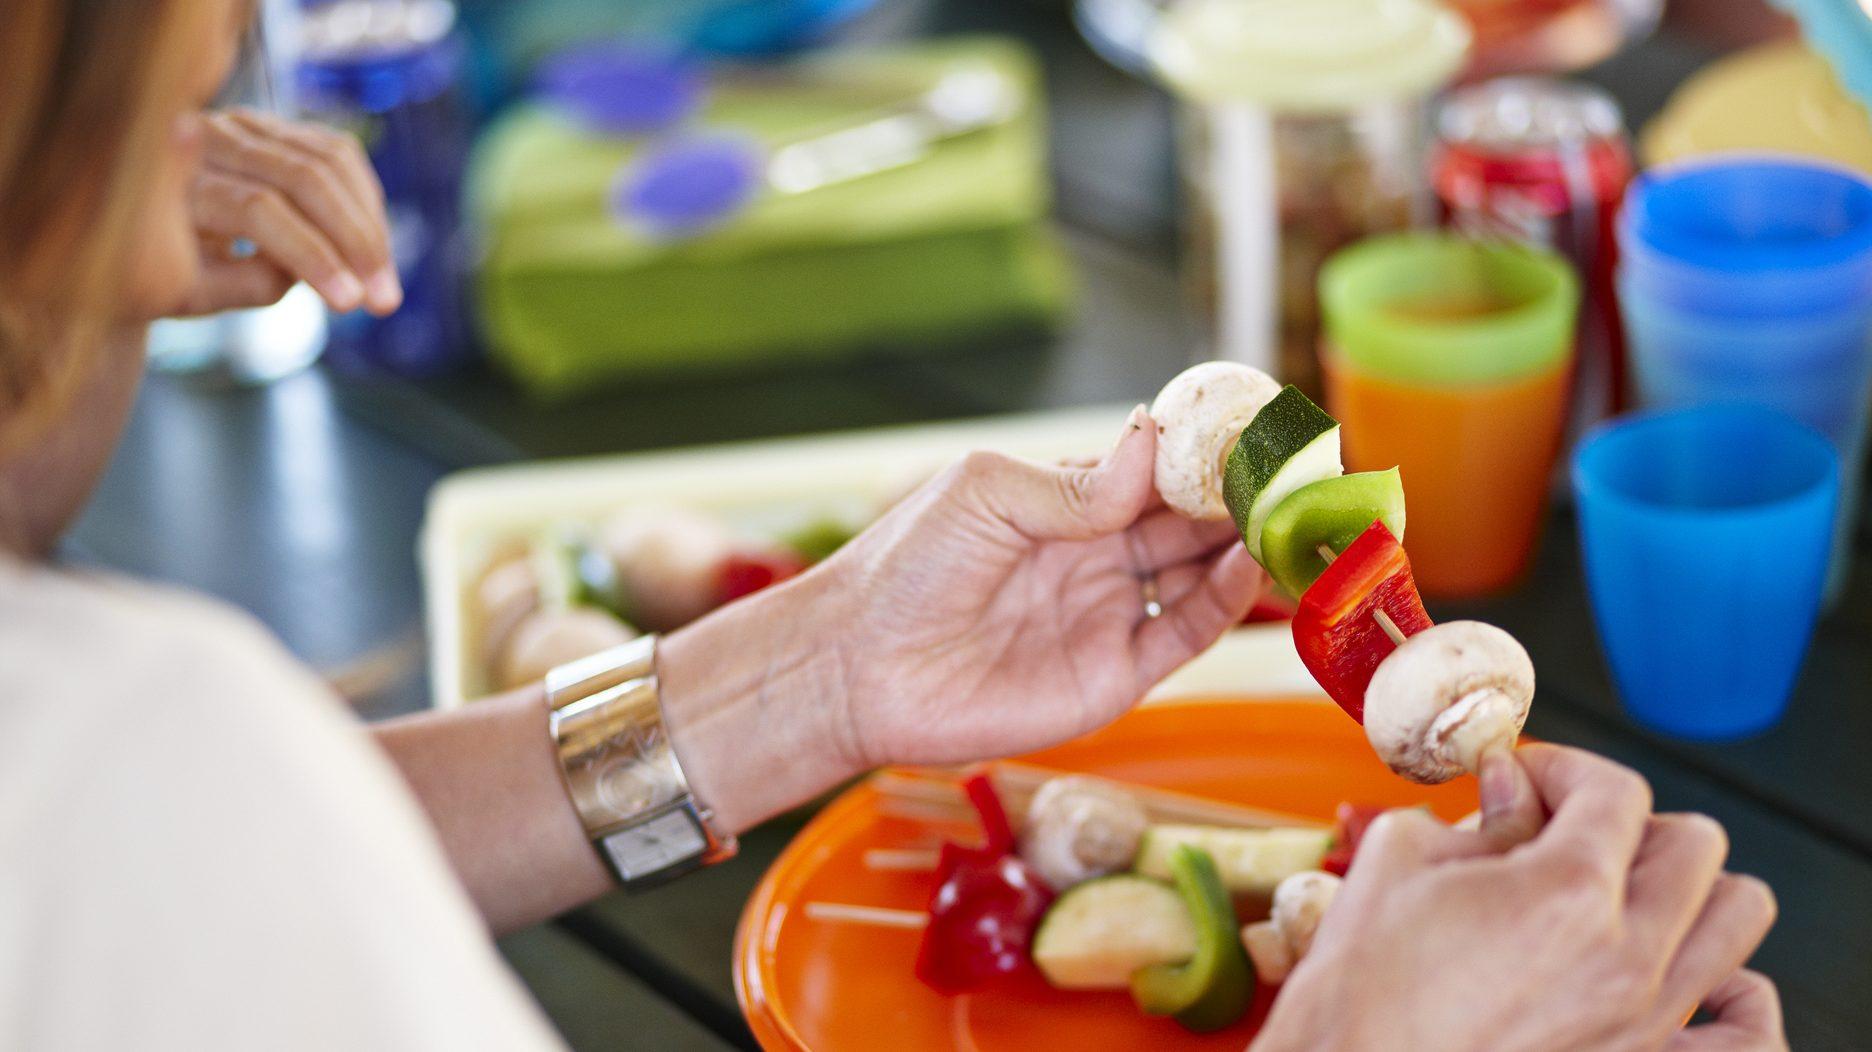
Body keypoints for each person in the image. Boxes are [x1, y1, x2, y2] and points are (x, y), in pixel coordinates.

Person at [0, 2, 1783, 1049]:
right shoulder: (131, 746)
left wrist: (810, 676)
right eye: (179, 106)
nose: (213, 181)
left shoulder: (148, 768)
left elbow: (272, 838)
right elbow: (174, 820)